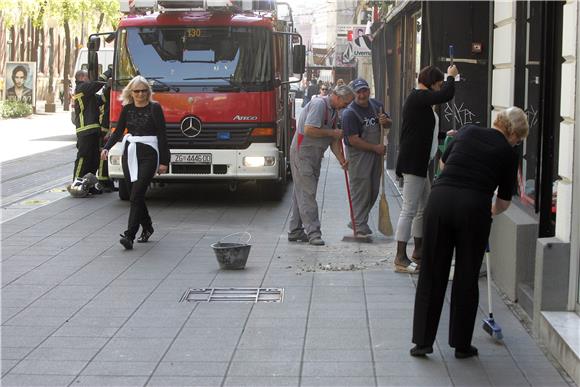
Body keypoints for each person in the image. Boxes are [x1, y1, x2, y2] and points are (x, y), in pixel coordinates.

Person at [410, 107, 529, 359]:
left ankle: (422, 342)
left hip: (440, 201)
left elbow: (444, 162)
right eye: (518, 138)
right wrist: (490, 210)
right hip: (474, 209)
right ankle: (461, 344)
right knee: (466, 275)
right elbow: (505, 201)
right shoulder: (508, 154)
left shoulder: (467, 131)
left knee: (432, 271)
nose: (517, 143)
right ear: (512, 133)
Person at [393, 64, 458, 273]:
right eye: (438, 85)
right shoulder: (418, 96)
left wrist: (444, 135)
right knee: (410, 209)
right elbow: (446, 95)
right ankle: (400, 257)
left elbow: (424, 129)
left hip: (419, 162)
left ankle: (418, 252)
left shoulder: (421, 100)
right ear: (430, 83)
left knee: (422, 208)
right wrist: (451, 77)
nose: (439, 89)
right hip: (414, 163)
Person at [101, 76, 170, 250]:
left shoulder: (155, 108)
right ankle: (147, 226)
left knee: (137, 194)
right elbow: (117, 132)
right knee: (135, 194)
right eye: (137, 91)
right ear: (131, 93)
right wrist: (106, 147)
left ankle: (129, 235)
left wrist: (164, 161)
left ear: (148, 92)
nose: (140, 94)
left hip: (149, 154)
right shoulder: (127, 109)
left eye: (143, 90)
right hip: (130, 153)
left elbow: (162, 135)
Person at [288, 85, 355, 246]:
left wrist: (341, 160)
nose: (345, 107)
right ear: (337, 97)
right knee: (308, 193)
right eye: (345, 103)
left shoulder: (334, 111)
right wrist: (333, 133)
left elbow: (333, 141)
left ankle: (295, 230)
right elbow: (309, 129)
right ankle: (313, 233)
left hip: (315, 155)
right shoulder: (319, 105)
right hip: (302, 153)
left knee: (302, 193)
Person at [341, 78, 391, 237]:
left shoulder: (377, 105)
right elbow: (353, 139)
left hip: (375, 154)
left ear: (369, 91)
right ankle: (359, 223)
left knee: (373, 189)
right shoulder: (350, 113)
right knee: (361, 189)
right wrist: (375, 148)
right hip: (359, 155)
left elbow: (388, 124)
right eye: (358, 92)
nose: (362, 95)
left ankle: (358, 220)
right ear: (353, 94)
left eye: (365, 91)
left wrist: (386, 121)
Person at [69, 69, 108, 195]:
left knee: (94, 159)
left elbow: (101, 99)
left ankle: (88, 184)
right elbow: (96, 84)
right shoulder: (81, 87)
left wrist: (109, 88)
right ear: (82, 78)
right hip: (85, 130)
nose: (89, 79)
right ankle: (76, 183)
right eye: (88, 77)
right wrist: (109, 72)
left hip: (92, 130)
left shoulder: (88, 93)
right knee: (83, 157)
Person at [97, 73, 114, 192]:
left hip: (108, 124)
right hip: (105, 126)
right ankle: (103, 180)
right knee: (104, 151)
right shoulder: (108, 92)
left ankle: (106, 179)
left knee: (106, 151)